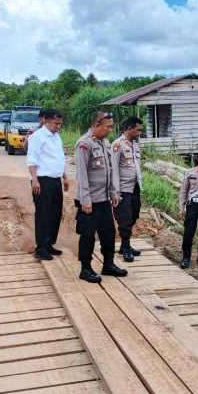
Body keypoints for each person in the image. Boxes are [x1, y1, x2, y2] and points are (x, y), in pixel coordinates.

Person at [74, 111, 128, 283]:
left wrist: (113, 192)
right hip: (89, 201)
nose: (110, 130)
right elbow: (81, 175)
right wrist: (85, 200)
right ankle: (85, 269)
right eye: (108, 127)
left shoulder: (104, 142)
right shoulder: (84, 144)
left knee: (108, 233)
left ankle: (108, 265)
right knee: (88, 235)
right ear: (97, 125)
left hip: (104, 199)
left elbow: (110, 170)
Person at [26, 109, 69, 260]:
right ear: (47, 121)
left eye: (60, 124)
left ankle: (49, 244)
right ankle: (40, 248)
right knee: (43, 214)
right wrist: (34, 179)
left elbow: (59, 158)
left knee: (55, 213)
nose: (59, 126)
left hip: (55, 180)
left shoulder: (57, 137)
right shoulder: (37, 137)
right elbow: (31, 159)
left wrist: (65, 177)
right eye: (56, 123)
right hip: (42, 180)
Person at [112, 117, 143, 262]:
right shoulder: (117, 144)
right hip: (123, 189)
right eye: (138, 130)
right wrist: (115, 191)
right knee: (124, 218)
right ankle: (125, 248)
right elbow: (113, 169)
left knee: (134, 215)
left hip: (135, 187)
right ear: (129, 129)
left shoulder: (135, 145)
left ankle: (125, 246)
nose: (140, 133)